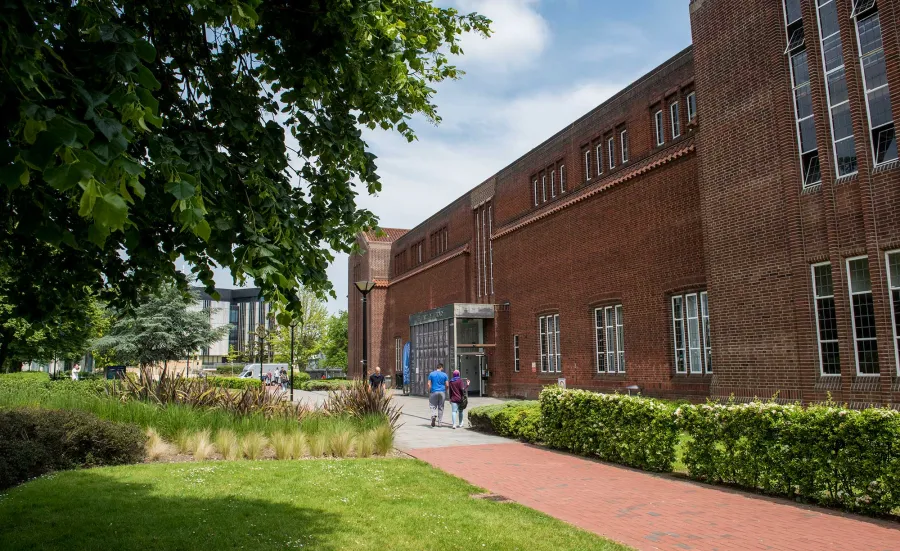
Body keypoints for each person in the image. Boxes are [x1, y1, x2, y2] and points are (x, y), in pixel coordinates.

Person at [426, 363, 448, 427]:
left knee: (432, 405)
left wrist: (429, 391)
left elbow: (428, 384)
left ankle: (433, 415)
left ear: (437, 367)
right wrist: (445, 390)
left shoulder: (431, 374)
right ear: (441, 368)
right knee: (441, 407)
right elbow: (447, 385)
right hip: (442, 392)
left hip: (434, 391)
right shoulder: (445, 375)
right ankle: (440, 423)